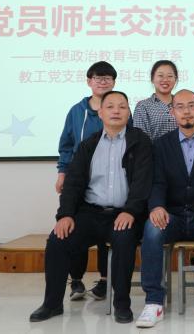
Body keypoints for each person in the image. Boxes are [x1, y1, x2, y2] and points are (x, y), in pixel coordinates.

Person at [29, 91, 153, 324]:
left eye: (122, 107)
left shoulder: (140, 141)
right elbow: (73, 183)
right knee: (57, 241)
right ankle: (52, 304)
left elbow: (143, 182)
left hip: (125, 213)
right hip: (90, 213)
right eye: (110, 106)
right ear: (100, 112)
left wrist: (131, 211)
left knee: (124, 241)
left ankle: (122, 305)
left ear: (129, 113)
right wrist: (65, 215)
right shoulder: (89, 145)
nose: (116, 111)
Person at [137, 90, 194, 328]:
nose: (186, 111)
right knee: (152, 229)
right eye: (180, 107)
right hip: (173, 215)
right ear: (173, 112)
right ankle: (153, 302)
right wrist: (156, 206)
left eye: (191, 106)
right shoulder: (161, 144)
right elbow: (157, 182)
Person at [55, 61, 120, 301]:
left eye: (107, 78)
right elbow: (66, 145)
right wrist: (62, 173)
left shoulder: (120, 109)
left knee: (107, 232)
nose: (102, 82)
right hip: (79, 179)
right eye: (97, 78)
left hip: (110, 180)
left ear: (114, 82)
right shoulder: (76, 111)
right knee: (75, 227)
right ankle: (76, 280)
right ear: (89, 81)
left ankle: (104, 280)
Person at [134, 60, 178, 141]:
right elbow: (141, 139)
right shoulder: (143, 106)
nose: (165, 79)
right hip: (152, 149)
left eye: (170, 76)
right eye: (160, 75)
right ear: (152, 79)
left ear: (175, 79)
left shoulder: (182, 104)